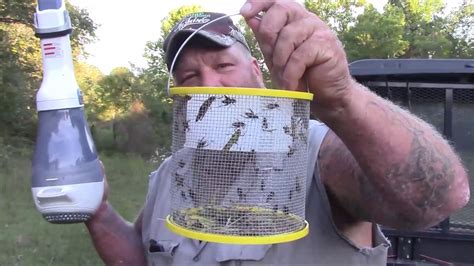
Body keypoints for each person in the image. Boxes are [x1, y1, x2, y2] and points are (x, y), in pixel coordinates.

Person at [85, 0, 470, 265]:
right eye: (190, 77)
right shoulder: (172, 175)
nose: (210, 86)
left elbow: (436, 197)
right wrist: (98, 214)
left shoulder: (315, 152)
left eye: (223, 65)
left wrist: (342, 100)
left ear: (256, 69)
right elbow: (142, 256)